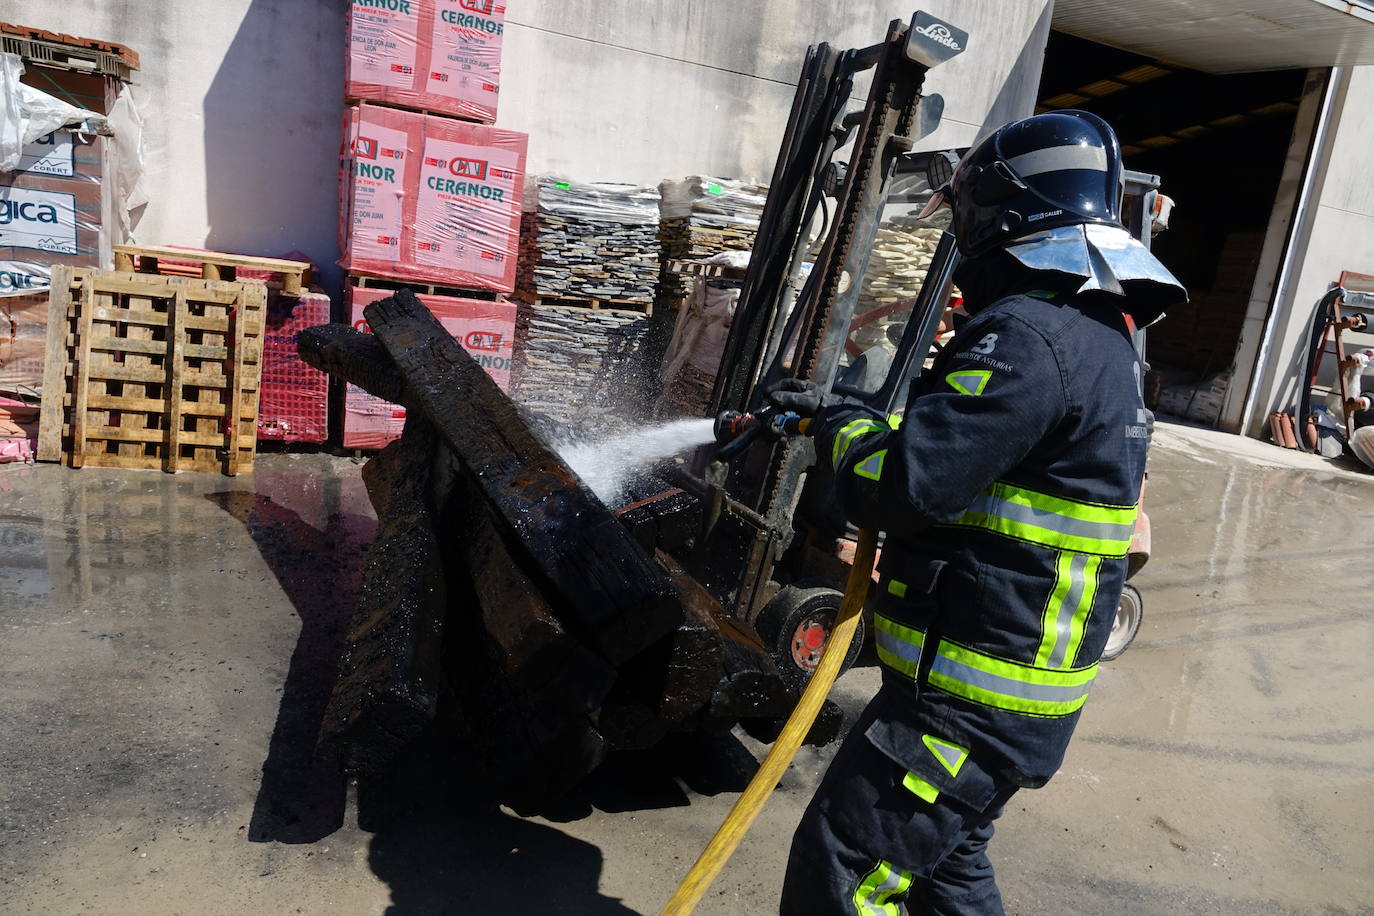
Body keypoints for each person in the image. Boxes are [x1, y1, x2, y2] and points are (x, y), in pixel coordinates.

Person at [770, 110, 1187, 915]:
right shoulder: (1097, 333)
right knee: (948, 874)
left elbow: (903, 489)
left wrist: (838, 424)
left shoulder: (1030, 337)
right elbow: (974, 455)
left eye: (968, 214)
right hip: (1012, 701)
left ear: (1004, 214)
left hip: (964, 707)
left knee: (842, 874)